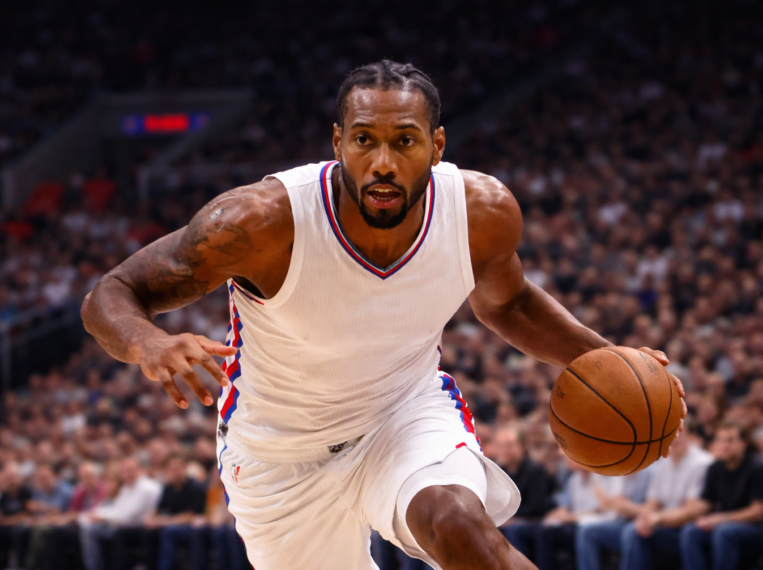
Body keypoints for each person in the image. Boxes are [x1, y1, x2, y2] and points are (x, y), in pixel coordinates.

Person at [81, 59, 686, 569]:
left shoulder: (481, 213)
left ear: (437, 145)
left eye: (405, 140)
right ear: (338, 141)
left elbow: (509, 301)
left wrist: (610, 360)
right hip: (277, 455)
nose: (384, 163)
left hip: (403, 414)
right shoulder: (258, 223)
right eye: (365, 139)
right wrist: (147, 345)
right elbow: (111, 291)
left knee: (455, 521)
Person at [620, 426, 713, 570]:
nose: (674, 439)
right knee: (634, 530)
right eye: (669, 435)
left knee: (634, 533)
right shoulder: (663, 462)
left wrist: (658, 518)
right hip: (665, 523)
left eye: (678, 433)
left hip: (686, 527)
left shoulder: (702, 463)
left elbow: (692, 511)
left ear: (689, 435)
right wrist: (645, 519)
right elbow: (652, 501)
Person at [679, 422, 763, 570]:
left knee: (723, 532)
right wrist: (679, 513)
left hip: (754, 529)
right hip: (724, 525)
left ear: (743, 443)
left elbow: (757, 512)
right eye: (720, 440)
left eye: (730, 440)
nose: (724, 445)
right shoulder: (715, 468)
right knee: (690, 531)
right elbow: (705, 503)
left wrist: (720, 519)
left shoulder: (757, 468)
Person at [533, 457, 623, 570]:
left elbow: (603, 510)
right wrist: (555, 515)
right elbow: (565, 506)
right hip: (576, 523)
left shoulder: (603, 478)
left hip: (597, 522)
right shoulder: (574, 479)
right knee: (544, 532)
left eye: (570, 457)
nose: (566, 460)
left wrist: (571, 516)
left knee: (585, 531)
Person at [78, 457, 161, 570]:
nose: (127, 473)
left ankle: (94, 567)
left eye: (131, 470)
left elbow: (128, 515)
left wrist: (102, 517)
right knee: (86, 526)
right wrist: (95, 514)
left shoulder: (146, 488)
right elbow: (118, 508)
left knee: (90, 531)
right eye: (125, 470)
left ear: (139, 469)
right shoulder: (127, 487)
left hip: (138, 528)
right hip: (123, 525)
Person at [493, 425, 556, 559]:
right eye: (501, 446)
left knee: (513, 529)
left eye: (510, 445)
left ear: (522, 446)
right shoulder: (498, 472)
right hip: (509, 520)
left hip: (535, 521)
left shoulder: (535, 470)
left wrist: (511, 518)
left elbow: (537, 507)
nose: (506, 450)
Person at [573, 468, 652, 570]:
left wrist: (625, 506)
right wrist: (617, 504)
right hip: (620, 521)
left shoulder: (649, 471)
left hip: (641, 521)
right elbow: (615, 503)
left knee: (630, 532)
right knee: (586, 531)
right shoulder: (619, 469)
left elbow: (651, 509)